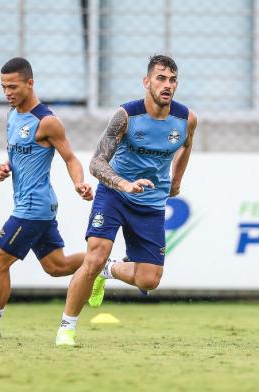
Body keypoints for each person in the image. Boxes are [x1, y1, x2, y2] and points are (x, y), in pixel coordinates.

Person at [55, 54, 197, 346]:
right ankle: (66, 328)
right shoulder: (126, 116)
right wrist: (125, 184)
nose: (167, 85)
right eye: (160, 78)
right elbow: (96, 163)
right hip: (115, 195)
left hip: (152, 203)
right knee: (94, 255)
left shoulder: (186, 119)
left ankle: (108, 270)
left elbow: (186, 146)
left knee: (149, 280)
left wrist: (176, 181)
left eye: (172, 80)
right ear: (147, 82)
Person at [0, 57, 93, 339]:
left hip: (32, 207)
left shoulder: (47, 121)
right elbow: (17, 154)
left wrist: (79, 183)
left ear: (30, 83)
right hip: (36, 206)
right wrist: (5, 167)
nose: (7, 93)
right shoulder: (12, 115)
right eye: (3, 87)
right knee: (56, 267)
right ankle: (102, 264)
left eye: (13, 86)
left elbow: (70, 158)